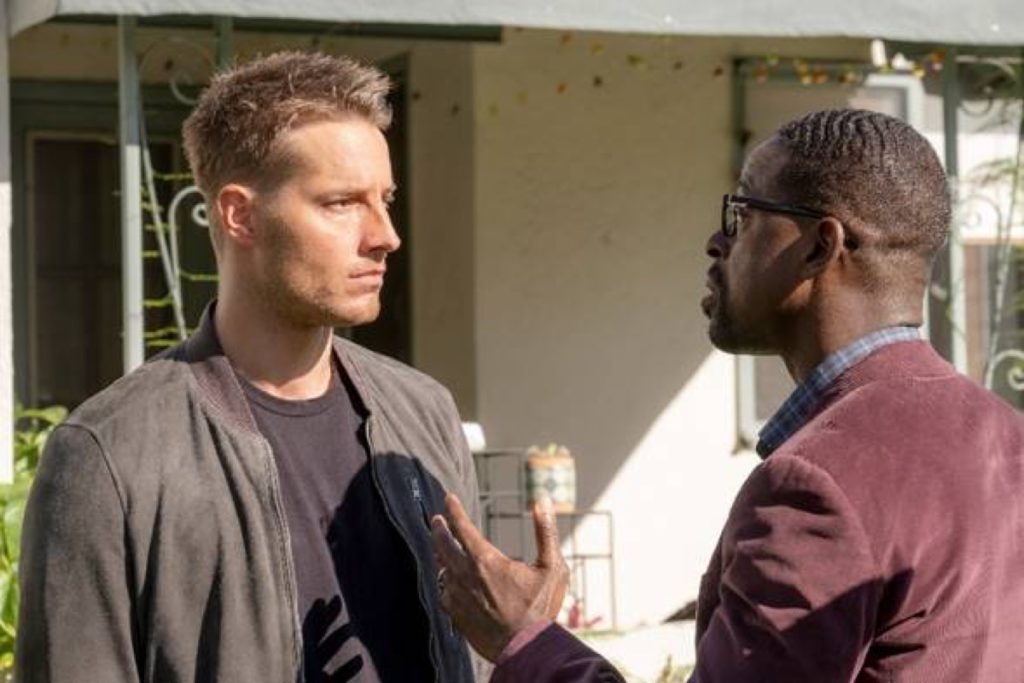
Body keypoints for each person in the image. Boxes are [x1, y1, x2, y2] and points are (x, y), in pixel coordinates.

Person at [431, 109, 1024, 682]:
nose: (716, 242)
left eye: (742, 214)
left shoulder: (817, 485)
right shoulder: (1007, 436)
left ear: (820, 246)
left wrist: (525, 640)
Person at [17, 51, 486, 683]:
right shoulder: (111, 453)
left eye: (385, 199)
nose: (385, 235)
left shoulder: (423, 413)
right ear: (240, 214)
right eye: (342, 203)